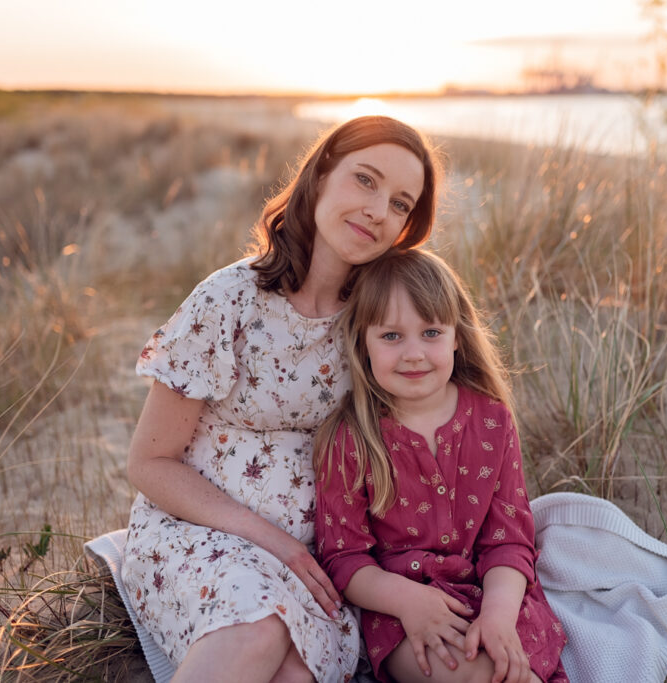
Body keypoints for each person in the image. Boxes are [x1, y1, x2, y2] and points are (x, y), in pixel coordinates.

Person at [121, 115, 441, 683]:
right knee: (260, 626)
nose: (376, 210)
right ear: (320, 176)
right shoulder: (229, 300)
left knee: (297, 671)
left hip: (324, 558)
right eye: (364, 180)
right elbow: (149, 462)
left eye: (399, 203)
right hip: (198, 535)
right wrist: (271, 541)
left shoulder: (381, 323)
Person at [314, 250, 568, 683]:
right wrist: (408, 602)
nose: (414, 354)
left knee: (514, 668)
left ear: (455, 337)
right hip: (402, 609)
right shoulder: (351, 438)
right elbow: (344, 558)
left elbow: (508, 539)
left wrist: (499, 617)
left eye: (430, 332)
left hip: (494, 592)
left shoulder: (492, 420)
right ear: (363, 341)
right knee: (477, 675)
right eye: (391, 336)